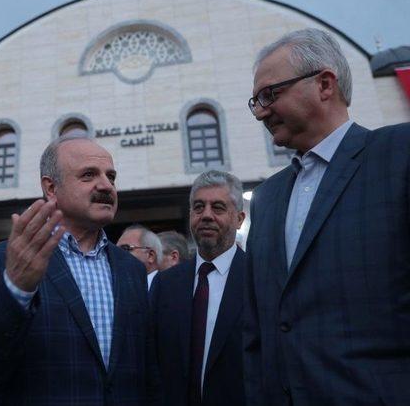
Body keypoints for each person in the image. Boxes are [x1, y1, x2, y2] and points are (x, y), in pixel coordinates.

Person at [245, 28, 410, 406]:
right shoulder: (267, 198)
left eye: (270, 95)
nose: (261, 112)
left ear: (324, 84)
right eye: (255, 101)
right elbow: (257, 334)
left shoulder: (399, 155)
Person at [0, 135, 158, 405]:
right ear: (51, 188)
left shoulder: (131, 269)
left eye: (111, 176)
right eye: (89, 175)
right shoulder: (0, 260)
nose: (106, 186)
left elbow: (148, 371)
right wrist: (16, 289)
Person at [150, 170, 246, 406]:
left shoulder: (261, 279)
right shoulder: (165, 285)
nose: (206, 216)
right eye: (199, 207)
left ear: (239, 219)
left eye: (218, 208)